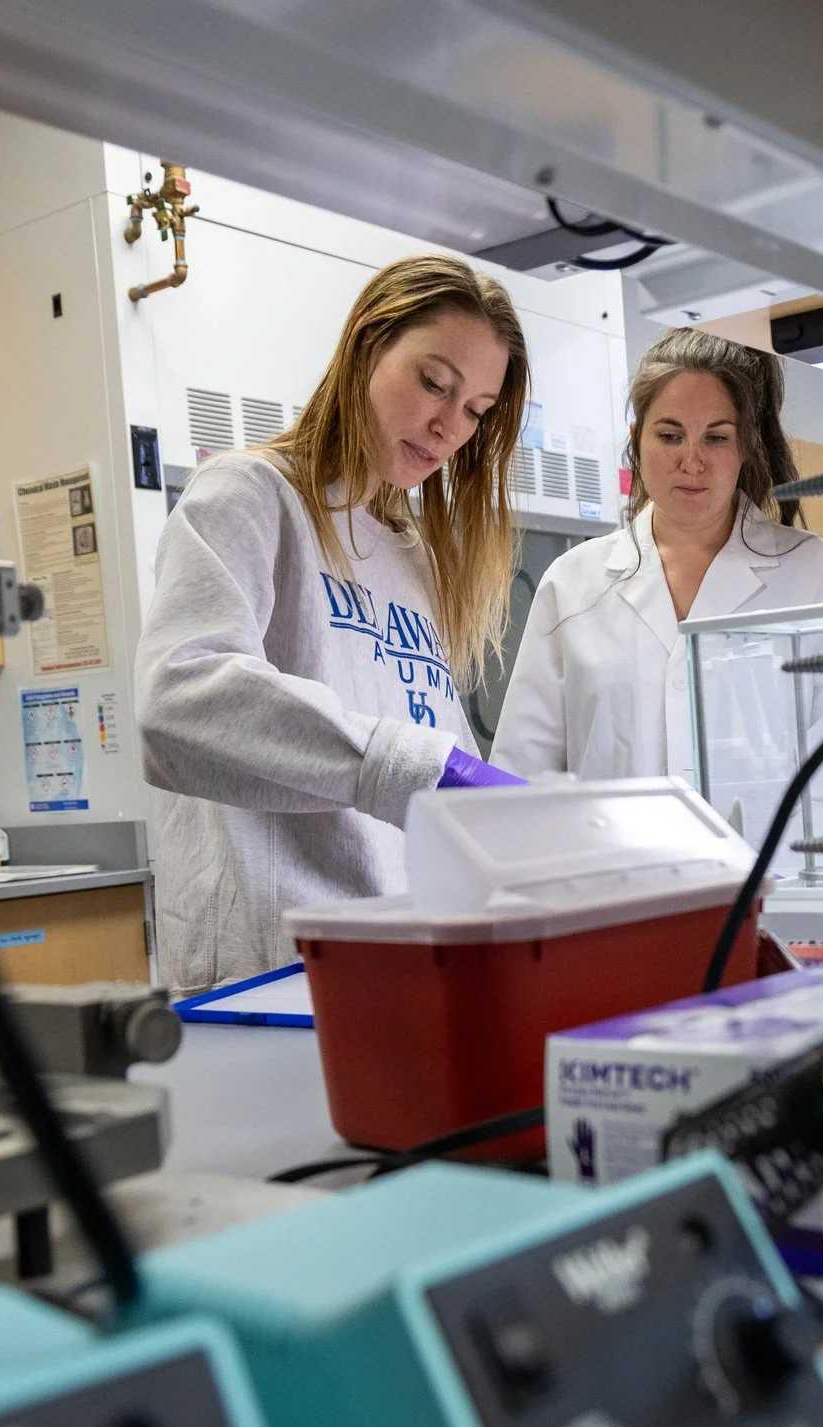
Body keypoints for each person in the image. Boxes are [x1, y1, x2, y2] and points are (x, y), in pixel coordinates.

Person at [137, 255, 528, 991]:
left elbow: (419, 744)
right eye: (434, 384)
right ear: (367, 347)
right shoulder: (250, 496)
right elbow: (178, 697)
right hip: (274, 963)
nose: (449, 426)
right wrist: (420, 768)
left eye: (476, 410)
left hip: (398, 953)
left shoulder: (412, 552)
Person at [489, 329, 823, 781]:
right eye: (670, 435)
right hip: (608, 853)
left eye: (716, 438)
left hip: (765, 855)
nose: (692, 461)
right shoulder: (572, 583)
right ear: (638, 439)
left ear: (745, 445)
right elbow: (523, 776)